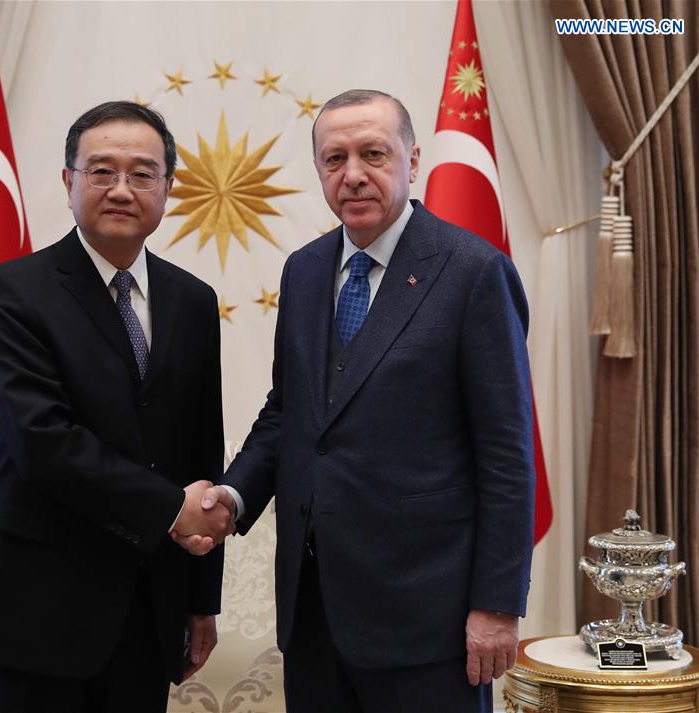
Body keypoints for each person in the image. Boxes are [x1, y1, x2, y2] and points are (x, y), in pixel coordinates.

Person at [176, 89, 535, 712]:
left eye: (373, 154)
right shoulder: (305, 271)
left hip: (429, 618)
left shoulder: (474, 271)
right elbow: (290, 413)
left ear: (412, 160)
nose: (354, 175)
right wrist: (233, 496)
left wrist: (497, 605)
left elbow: (506, 453)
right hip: (314, 609)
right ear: (319, 170)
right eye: (335, 159)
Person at [0, 101, 233, 713]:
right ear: (68, 181)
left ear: (168, 187)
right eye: (101, 171)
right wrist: (171, 508)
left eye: (142, 174)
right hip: (36, 609)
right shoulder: (12, 291)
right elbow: (42, 441)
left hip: (149, 608)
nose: (121, 189)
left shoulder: (193, 301)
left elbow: (200, 450)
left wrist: (199, 600)